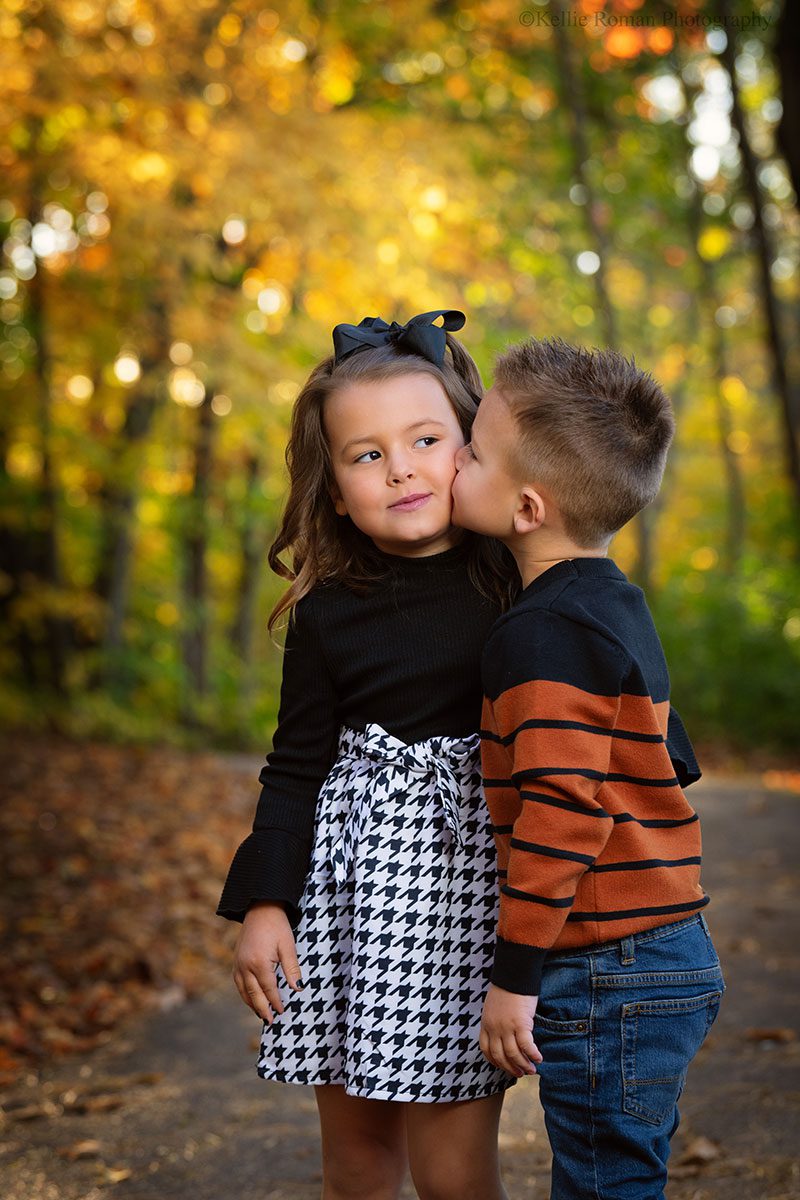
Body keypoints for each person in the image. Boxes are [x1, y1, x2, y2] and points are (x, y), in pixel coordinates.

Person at [216, 310, 519, 1200]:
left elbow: (590, 688)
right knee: (356, 1161)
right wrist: (267, 903)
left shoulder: (514, 575)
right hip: (349, 901)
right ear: (335, 486)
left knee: (456, 1169)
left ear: (468, 444)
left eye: (425, 439)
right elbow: (296, 764)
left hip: (470, 895)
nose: (401, 469)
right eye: (366, 455)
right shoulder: (328, 607)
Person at [451, 336, 725, 1199]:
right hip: (663, 951)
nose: (452, 458)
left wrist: (512, 979)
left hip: (611, 965)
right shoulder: (613, 605)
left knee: (605, 1186)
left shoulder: (542, 634)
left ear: (527, 508)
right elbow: (665, 758)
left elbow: (566, 815)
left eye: (469, 451)